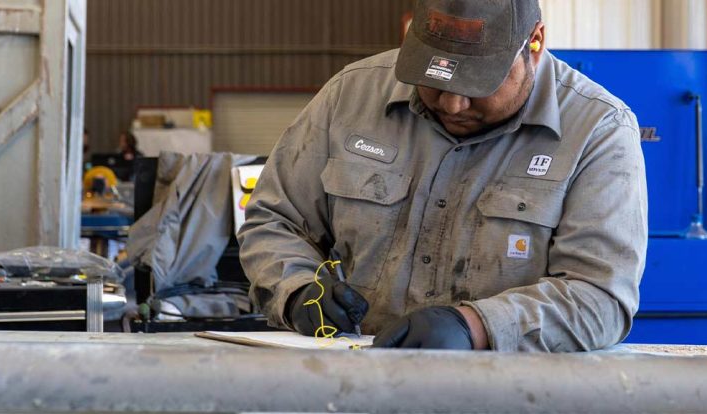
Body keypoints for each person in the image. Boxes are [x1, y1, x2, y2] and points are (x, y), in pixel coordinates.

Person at [238, 0, 647, 351]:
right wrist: (297, 291)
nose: (452, 104)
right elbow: (274, 220)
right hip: (353, 385)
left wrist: (475, 327)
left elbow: (599, 298)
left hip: (509, 397)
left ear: (535, 42)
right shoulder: (350, 96)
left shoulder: (599, 131)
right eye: (433, 82)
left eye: (477, 84)